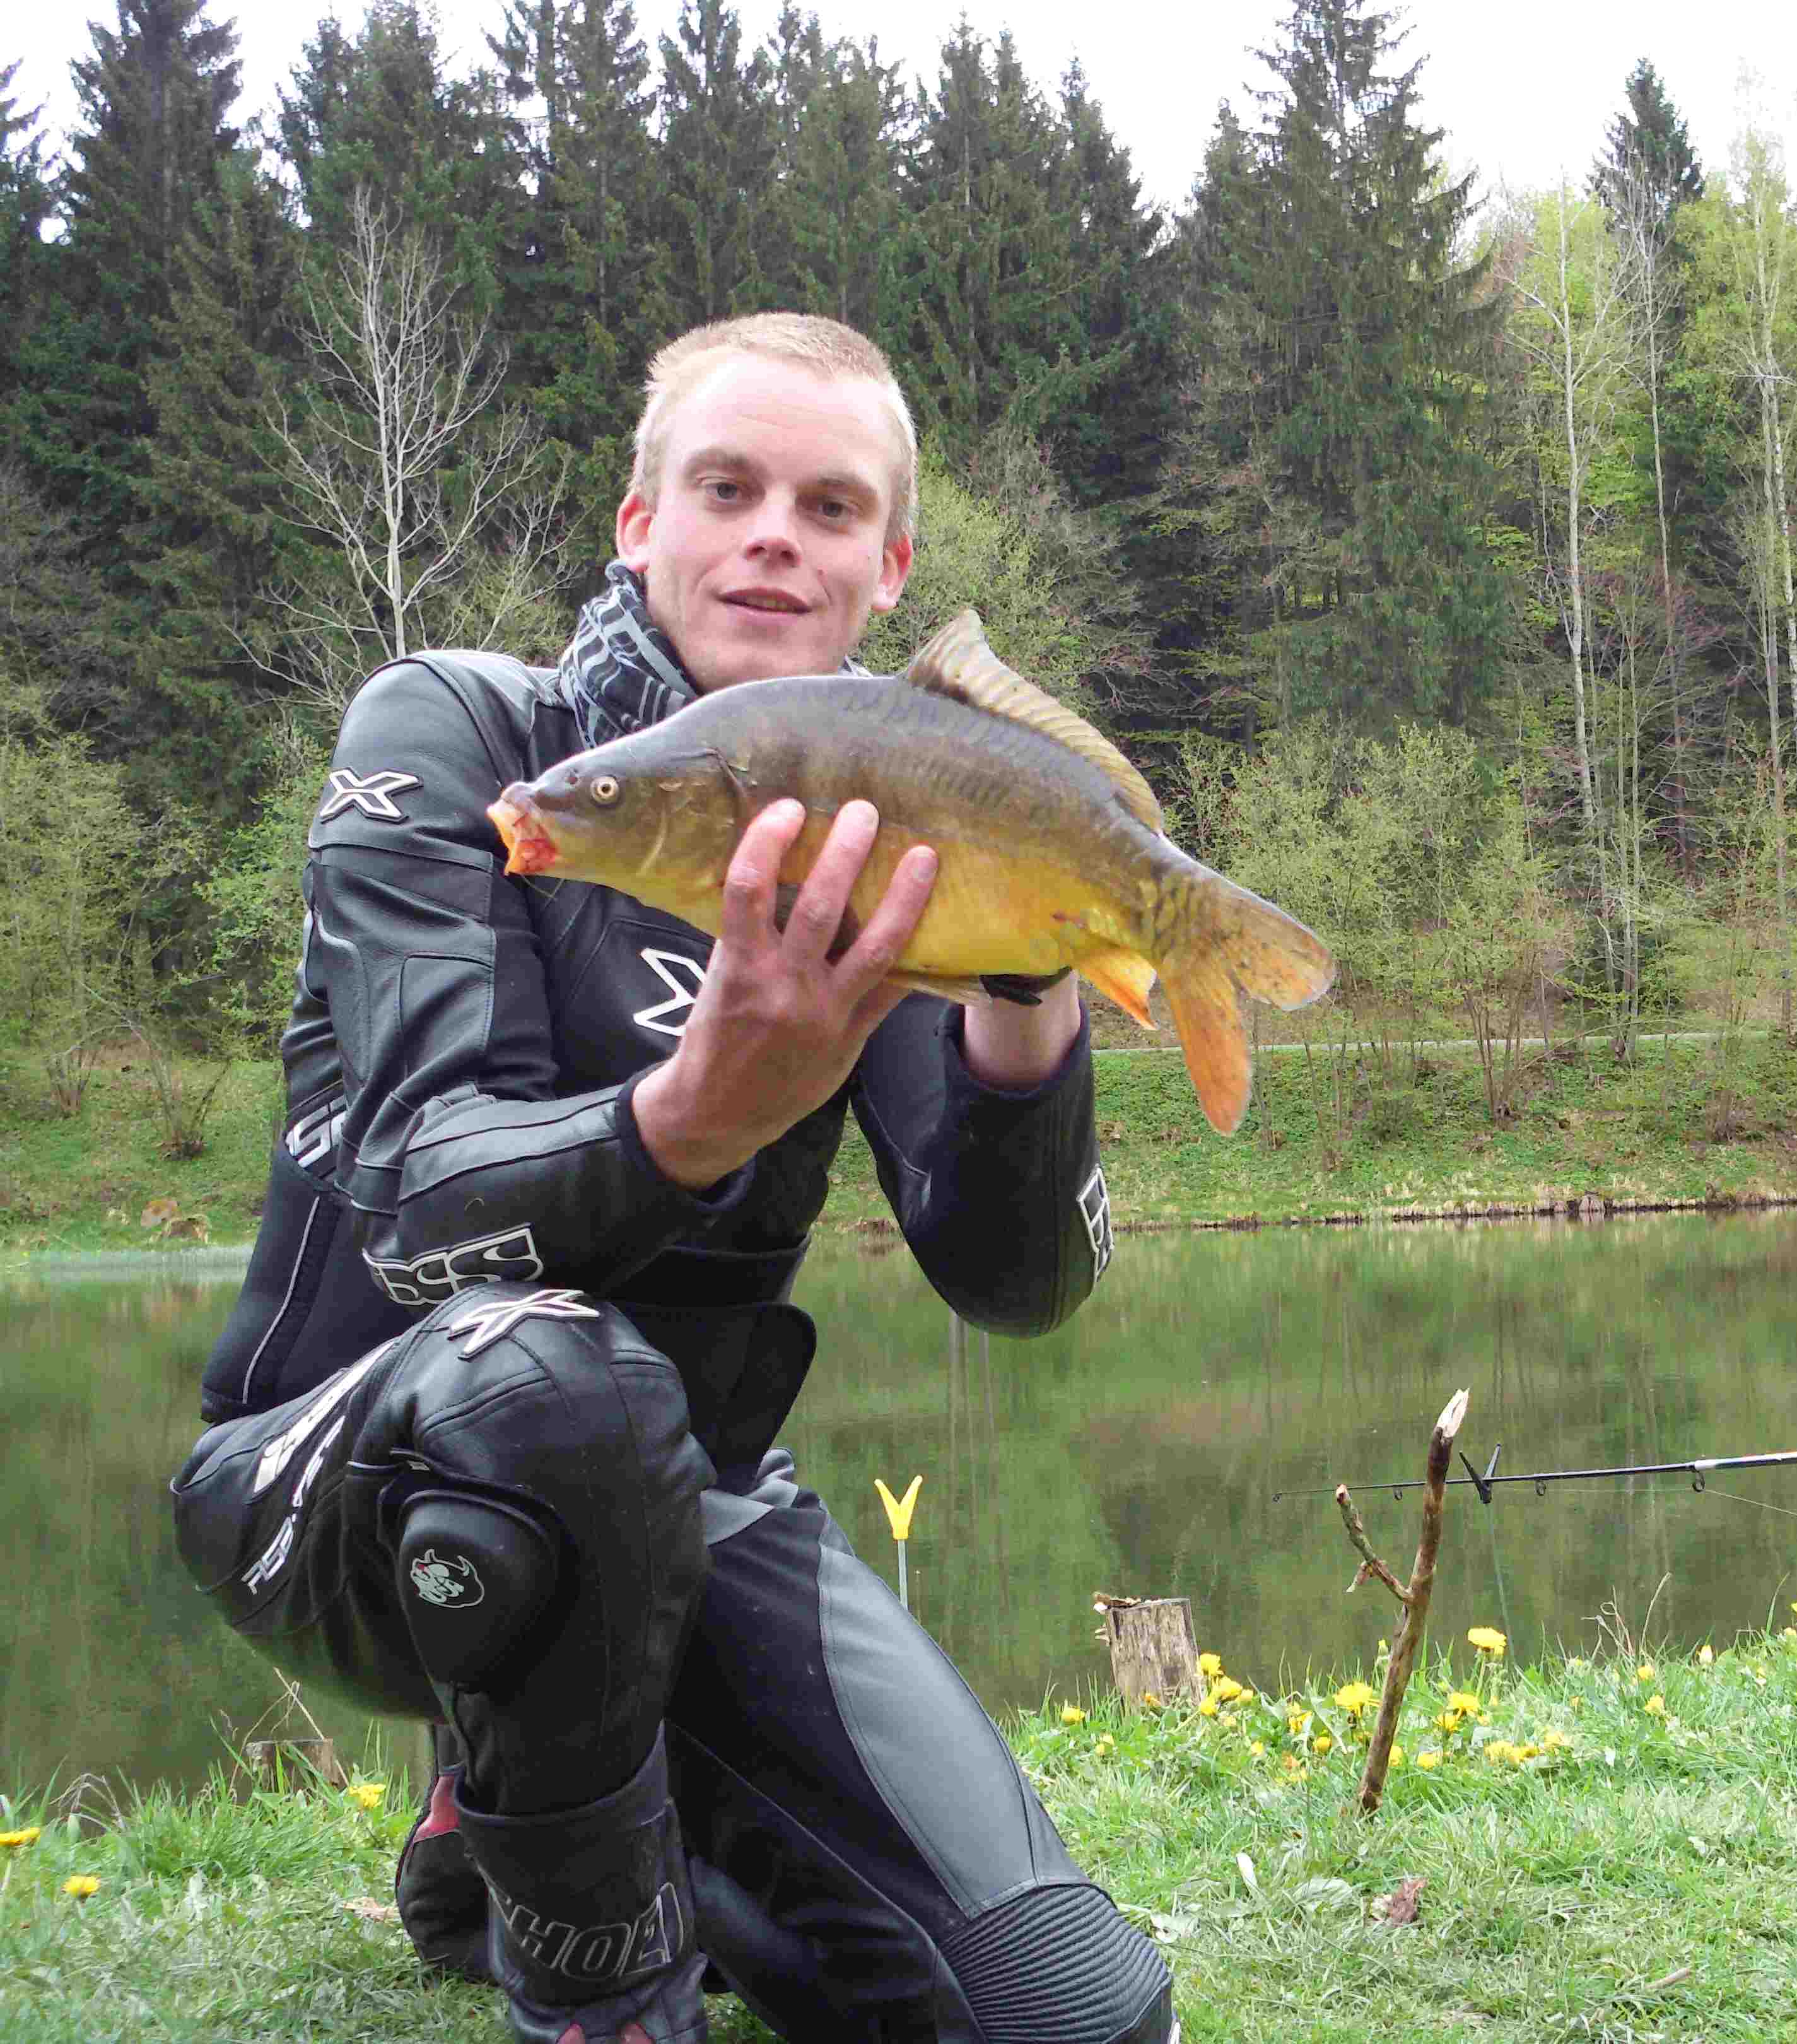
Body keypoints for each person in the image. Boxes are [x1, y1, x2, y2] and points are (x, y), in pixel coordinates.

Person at [172, 314, 1176, 2044]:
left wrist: (1026, 982)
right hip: (333, 1476)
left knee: (1069, 2017)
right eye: (728, 487)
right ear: (641, 525)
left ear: (887, 566)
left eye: (831, 504)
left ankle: (534, 1827)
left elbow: (1012, 1282)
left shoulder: (901, 827)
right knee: (558, 1379)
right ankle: (604, 1992)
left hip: (694, 1499)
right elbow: (415, 1197)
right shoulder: (472, 749)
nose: (777, 530)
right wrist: (698, 1108)